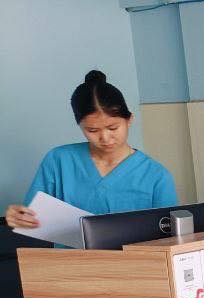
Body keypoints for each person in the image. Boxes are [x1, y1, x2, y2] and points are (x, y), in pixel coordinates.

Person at [5, 70, 176, 230]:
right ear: (80, 126)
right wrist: (17, 218)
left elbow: (168, 238)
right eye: (92, 130)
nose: (105, 138)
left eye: (113, 128)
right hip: (71, 254)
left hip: (134, 254)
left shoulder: (156, 177)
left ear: (129, 119)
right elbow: (30, 218)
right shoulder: (58, 161)